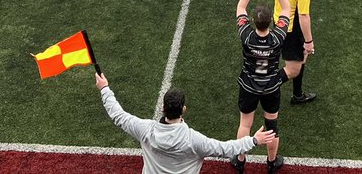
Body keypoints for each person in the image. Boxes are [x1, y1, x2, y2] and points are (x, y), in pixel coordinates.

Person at [98, 72, 274, 174]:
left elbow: (118, 116)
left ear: (163, 108)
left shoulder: (145, 130)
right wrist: (254, 140)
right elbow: (225, 149)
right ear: (183, 109)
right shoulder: (193, 140)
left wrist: (105, 88)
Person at [233, 0, 293, 173]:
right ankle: (272, 162)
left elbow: (240, 7)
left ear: (253, 21)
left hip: (249, 85)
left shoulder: (247, 36)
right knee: (271, 126)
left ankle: (240, 160)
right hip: (270, 87)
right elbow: (287, 8)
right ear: (270, 22)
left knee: (245, 125)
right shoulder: (277, 37)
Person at [268, 0, 317, 105]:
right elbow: (303, 16)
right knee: (293, 69)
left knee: (301, 58)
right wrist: (309, 41)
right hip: (292, 31)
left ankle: (297, 94)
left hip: (278, 24)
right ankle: (265, 87)